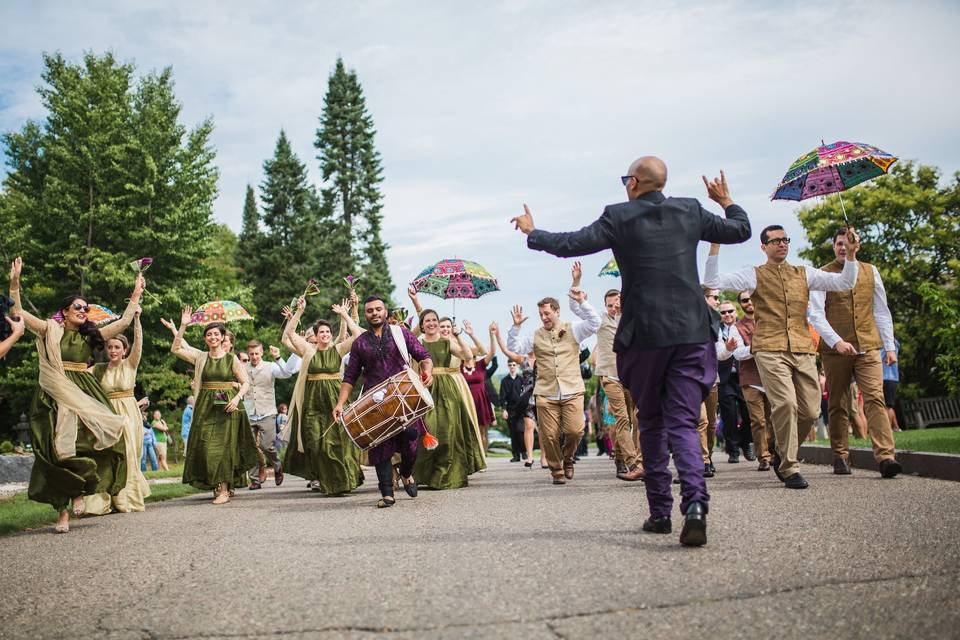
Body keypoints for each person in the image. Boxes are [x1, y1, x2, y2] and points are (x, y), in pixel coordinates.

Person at [512, 160, 751, 546]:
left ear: (634, 183)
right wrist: (727, 201)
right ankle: (695, 504)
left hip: (643, 336)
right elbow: (740, 230)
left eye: (626, 179)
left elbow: (571, 243)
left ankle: (660, 513)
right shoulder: (690, 209)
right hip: (691, 333)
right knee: (684, 422)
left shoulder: (619, 216)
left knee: (652, 421)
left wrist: (533, 231)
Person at [704, 225, 860, 489]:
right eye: (775, 240)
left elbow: (844, 282)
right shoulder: (753, 274)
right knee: (786, 404)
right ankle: (788, 467)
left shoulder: (804, 273)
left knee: (810, 410)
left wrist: (852, 254)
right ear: (764, 247)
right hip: (768, 348)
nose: (782, 244)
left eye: (785, 239)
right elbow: (712, 281)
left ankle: (779, 447)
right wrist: (715, 245)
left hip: (801, 348)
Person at [10, 257, 144, 533]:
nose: (84, 311)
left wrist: (135, 296)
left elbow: (122, 324)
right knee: (56, 451)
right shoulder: (50, 329)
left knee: (90, 445)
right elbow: (20, 312)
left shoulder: (91, 335)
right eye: (78, 307)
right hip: (54, 393)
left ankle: (80, 492)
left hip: (85, 392)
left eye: (87, 308)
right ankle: (63, 513)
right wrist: (14, 284)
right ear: (65, 312)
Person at [809, 228, 901, 478]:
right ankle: (840, 455)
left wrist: (889, 346)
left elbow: (881, 310)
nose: (842, 247)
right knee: (837, 402)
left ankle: (886, 457)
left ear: (856, 245)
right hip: (835, 351)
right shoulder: (822, 274)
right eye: (838, 243)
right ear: (833, 247)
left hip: (868, 346)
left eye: (847, 243)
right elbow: (815, 314)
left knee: (875, 398)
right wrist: (836, 341)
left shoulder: (870, 271)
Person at [506, 262, 602, 485]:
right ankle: (557, 469)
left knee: (575, 431)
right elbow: (516, 347)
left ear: (557, 311)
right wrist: (516, 327)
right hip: (546, 392)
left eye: (547, 313)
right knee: (548, 436)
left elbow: (595, 322)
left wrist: (581, 301)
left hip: (572, 389)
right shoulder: (535, 335)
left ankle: (568, 458)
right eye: (541, 314)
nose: (544, 317)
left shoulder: (574, 329)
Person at [334, 296, 434, 508]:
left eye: (378, 309)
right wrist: (340, 403)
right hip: (375, 401)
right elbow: (350, 376)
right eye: (370, 311)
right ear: (365, 314)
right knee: (379, 447)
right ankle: (387, 493)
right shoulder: (359, 343)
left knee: (411, 441)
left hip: (404, 397)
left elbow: (423, 356)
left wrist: (427, 371)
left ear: (385, 311)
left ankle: (406, 472)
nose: (374, 313)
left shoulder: (401, 333)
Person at [166, 306, 259, 504]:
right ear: (205, 338)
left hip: (227, 407)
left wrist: (236, 399)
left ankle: (224, 489)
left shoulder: (231, 359)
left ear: (223, 337)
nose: (213, 337)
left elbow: (246, 383)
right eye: (209, 334)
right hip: (206, 408)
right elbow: (175, 348)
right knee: (208, 447)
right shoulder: (200, 357)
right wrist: (182, 326)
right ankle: (219, 484)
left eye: (217, 334)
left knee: (225, 448)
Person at [282, 297, 364, 495]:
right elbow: (289, 334)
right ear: (316, 336)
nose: (325, 335)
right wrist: (299, 313)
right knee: (315, 443)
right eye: (322, 332)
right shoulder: (308, 351)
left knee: (337, 442)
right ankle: (320, 477)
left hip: (335, 400)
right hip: (313, 404)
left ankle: (340, 481)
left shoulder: (338, 348)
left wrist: (346, 313)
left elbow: (358, 334)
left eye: (328, 332)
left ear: (331, 334)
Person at [84, 311, 152, 514]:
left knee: (128, 455)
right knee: (105, 455)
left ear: (124, 350)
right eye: (109, 347)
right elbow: (75, 371)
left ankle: (125, 499)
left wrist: (137, 320)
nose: (112, 351)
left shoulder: (130, 365)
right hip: (107, 415)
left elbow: (139, 343)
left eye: (117, 347)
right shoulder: (98, 369)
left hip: (128, 415)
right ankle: (102, 501)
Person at [411, 308, 477, 489]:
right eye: (427, 321)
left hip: (447, 389)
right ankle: (425, 475)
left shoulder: (447, 342)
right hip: (426, 388)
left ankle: (447, 475)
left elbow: (468, 356)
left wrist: (459, 336)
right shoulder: (417, 343)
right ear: (422, 325)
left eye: (434, 320)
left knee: (448, 431)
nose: (431, 323)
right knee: (428, 429)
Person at [594, 287, 643, 481]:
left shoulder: (634, 320)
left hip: (634, 377)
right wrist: (577, 287)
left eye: (617, 304)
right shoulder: (601, 320)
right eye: (609, 305)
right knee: (621, 420)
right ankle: (632, 463)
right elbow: (583, 312)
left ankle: (629, 458)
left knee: (639, 419)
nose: (613, 308)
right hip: (611, 376)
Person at [242, 339, 299, 490]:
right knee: (250, 447)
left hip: (267, 412)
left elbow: (287, 373)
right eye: (251, 354)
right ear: (248, 354)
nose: (254, 357)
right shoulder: (242, 368)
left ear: (261, 353)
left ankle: (277, 465)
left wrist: (278, 357)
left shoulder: (271, 366)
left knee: (267, 446)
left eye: (257, 353)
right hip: (248, 412)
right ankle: (254, 479)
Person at [734, 291, 773, 471]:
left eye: (751, 298)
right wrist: (759, 345)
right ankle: (763, 456)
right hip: (750, 377)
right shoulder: (737, 326)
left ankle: (774, 451)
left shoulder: (771, 320)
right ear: (741, 304)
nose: (748, 302)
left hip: (773, 376)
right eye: (744, 300)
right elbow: (738, 353)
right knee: (758, 420)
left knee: (774, 418)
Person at [717, 300, 753, 464]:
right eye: (723, 312)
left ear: (735, 312)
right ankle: (733, 451)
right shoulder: (716, 330)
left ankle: (746, 444)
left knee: (748, 413)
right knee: (729, 416)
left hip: (743, 375)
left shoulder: (741, 328)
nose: (727, 314)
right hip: (724, 378)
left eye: (730, 311)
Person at [460, 319, 496, 450]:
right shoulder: (458, 367)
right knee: (466, 432)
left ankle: (482, 457)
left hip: (480, 401)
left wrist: (491, 335)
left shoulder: (480, 365)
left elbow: (491, 352)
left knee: (481, 433)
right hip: (465, 401)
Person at [499, 358, 525, 462]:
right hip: (510, 410)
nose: (512, 367)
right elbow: (502, 397)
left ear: (517, 366)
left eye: (514, 365)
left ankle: (524, 452)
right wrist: (503, 410)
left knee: (520, 431)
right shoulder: (504, 381)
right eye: (510, 365)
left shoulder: (521, 379)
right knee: (513, 433)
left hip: (521, 409)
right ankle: (516, 455)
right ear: (508, 366)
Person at [881, 340, 901, 432]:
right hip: (893, 378)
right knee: (889, 405)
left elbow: (878, 358)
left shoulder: (886, 345)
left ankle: (887, 429)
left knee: (886, 406)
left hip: (885, 377)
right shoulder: (895, 344)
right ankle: (895, 427)